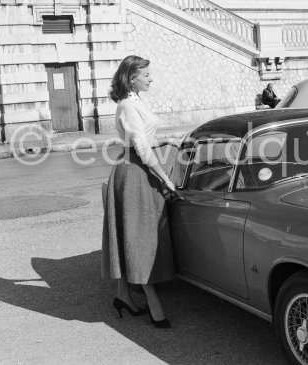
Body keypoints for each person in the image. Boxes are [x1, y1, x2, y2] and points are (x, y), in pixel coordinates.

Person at [102, 55, 176, 328]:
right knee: (138, 237)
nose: (151, 78)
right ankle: (153, 300)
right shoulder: (127, 105)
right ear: (132, 78)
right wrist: (165, 179)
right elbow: (141, 149)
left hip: (137, 170)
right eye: (146, 75)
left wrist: (167, 140)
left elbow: (143, 137)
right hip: (133, 173)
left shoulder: (134, 102)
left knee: (131, 234)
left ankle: (124, 297)